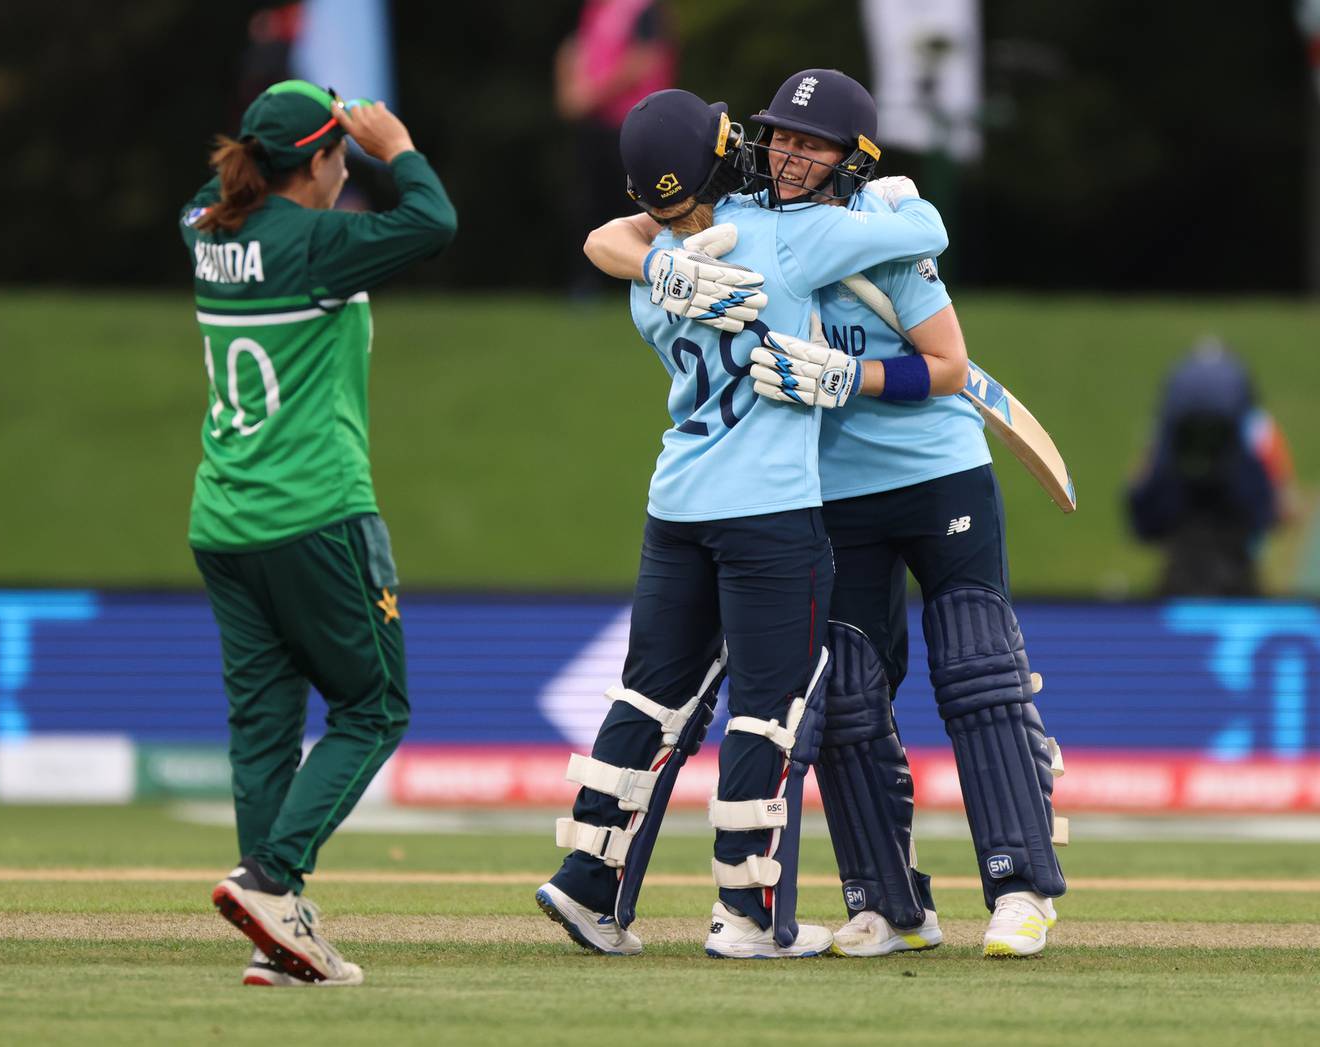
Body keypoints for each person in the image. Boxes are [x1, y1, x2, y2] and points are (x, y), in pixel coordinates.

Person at [585, 69, 1066, 959]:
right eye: (780, 137)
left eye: (812, 144)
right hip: (835, 490)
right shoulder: (737, 228)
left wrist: (854, 378)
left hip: (938, 473)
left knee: (975, 667)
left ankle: (1020, 887)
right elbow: (611, 235)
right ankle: (891, 902)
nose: (791, 154)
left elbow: (952, 367)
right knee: (842, 687)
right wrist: (657, 259)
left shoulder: (877, 231)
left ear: (852, 157)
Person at [537, 88, 949, 960]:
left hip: (676, 501)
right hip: (768, 509)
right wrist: (900, 197)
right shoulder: (789, 236)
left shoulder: (655, 266)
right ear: (722, 156)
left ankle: (586, 882)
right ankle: (746, 916)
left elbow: (612, 237)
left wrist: (653, 258)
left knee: (648, 694)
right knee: (770, 710)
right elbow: (925, 239)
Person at [179, 79, 457, 987]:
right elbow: (434, 221)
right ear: (322, 163)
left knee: (263, 730)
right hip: (315, 515)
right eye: (339, 151)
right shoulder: (318, 245)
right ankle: (269, 879)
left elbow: (218, 203)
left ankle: (277, 932)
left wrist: (333, 145)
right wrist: (401, 145)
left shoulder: (206, 229)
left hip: (225, 521)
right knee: (374, 707)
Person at [1127, 338, 1297, 595]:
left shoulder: (1166, 431)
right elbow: (1279, 505)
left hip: (1178, 575)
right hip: (1238, 574)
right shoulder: (1260, 427)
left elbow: (1141, 500)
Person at [554, 0, 675, 296]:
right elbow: (576, 49)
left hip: (636, 123)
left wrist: (589, 95)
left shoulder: (643, 8)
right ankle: (587, 284)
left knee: (640, 205)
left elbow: (644, 59)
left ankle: (645, 281)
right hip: (598, 124)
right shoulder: (598, 8)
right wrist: (569, 87)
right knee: (589, 204)